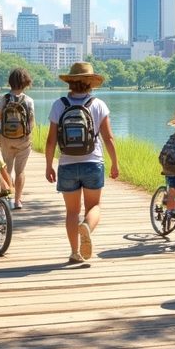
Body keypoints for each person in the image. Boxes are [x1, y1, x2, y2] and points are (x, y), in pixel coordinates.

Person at [45, 62, 119, 263]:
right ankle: (87, 226)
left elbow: (51, 139)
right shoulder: (98, 104)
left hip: (67, 164)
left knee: (71, 211)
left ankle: (75, 252)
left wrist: (49, 165)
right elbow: (108, 138)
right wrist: (114, 163)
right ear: (90, 83)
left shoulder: (59, 105)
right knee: (94, 206)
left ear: (70, 82)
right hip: (93, 162)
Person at [0, 68, 35, 210]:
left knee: (6, 169)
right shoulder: (29, 101)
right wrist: (28, 137)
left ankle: (8, 198)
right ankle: (18, 200)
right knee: (20, 171)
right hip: (23, 141)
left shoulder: (3, 99)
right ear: (25, 82)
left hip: (6, 139)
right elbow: (31, 122)